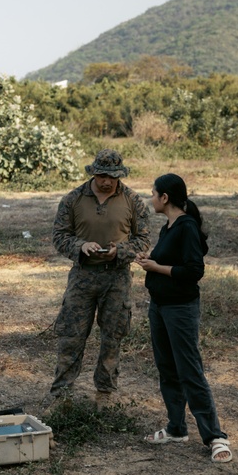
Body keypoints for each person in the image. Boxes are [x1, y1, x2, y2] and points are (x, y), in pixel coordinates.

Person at [135, 173, 231, 463]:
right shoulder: (169, 226)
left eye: (153, 194)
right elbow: (168, 260)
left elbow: (193, 271)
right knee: (168, 370)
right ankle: (176, 428)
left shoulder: (186, 227)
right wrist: (149, 261)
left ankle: (215, 437)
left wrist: (157, 267)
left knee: (190, 371)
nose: (150, 199)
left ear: (165, 198)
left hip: (180, 309)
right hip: (159, 307)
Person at [49, 149, 151, 401]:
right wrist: (80, 247)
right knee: (71, 336)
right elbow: (59, 236)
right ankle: (62, 394)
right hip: (82, 276)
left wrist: (120, 251)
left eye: (112, 177)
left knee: (113, 336)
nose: (106, 181)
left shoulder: (133, 201)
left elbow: (144, 239)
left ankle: (104, 394)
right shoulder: (73, 199)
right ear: (93, 172)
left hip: (117, 278)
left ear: (120, 175)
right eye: (102, 175)